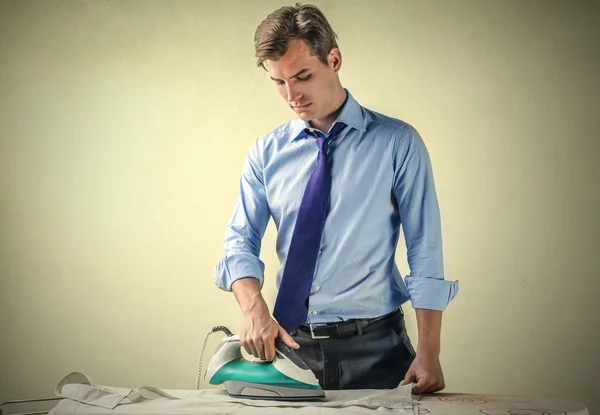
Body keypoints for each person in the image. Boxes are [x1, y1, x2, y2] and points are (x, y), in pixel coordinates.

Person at [213, 3, 458, 393]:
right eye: (279, 82)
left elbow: (425, 252)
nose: (292, 95)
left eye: (303, 76)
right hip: (290, 350)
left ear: (334, 59)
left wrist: (430, 351)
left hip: (378, 350)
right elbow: (239, 242)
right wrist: (253, 309)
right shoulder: (266, 154)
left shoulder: (398, 143)